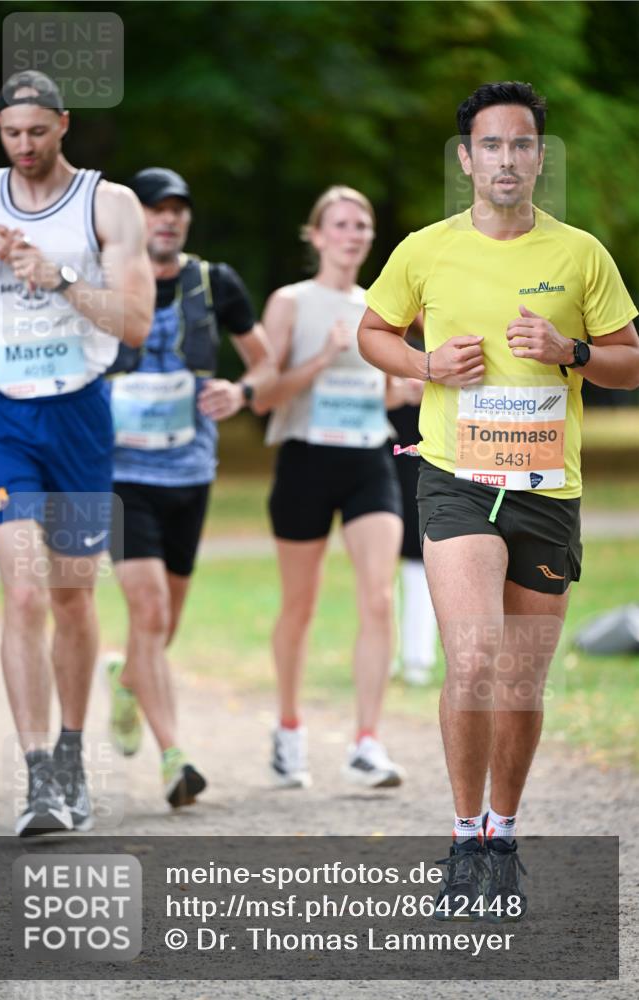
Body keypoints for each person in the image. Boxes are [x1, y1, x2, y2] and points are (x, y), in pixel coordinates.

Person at [358, 81, 639, 918]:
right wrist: (424, 366)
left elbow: (629, 358)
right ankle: (461, 839)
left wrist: (571, 349)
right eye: (491, 145)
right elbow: (371, 332)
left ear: (539, 158)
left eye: (521, 145)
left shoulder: (580, 254)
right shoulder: (424, 249)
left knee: (517, 679)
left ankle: (501, 834)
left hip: (546, 488)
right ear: (466, 158)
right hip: (455, 477)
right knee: (474, 657)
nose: (506, 159)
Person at [0, 71, 154, 836]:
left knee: (76, 594)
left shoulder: (108, 205)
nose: (23, 147)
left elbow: (137, 322)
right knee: (25, 591)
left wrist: (63, 275)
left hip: (79, 413)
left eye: (37, 133)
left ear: (63, 125)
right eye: (11, 134)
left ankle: (75, 750)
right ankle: (39, 774)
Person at [103, 167, 275, 808]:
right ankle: (175, 759)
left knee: (163, 622)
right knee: (148, 611)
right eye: (155, 209)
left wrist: (242, 390)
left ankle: (127, 682)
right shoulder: (104, 279)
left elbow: (265, 361)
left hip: (190, 475)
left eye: (178, 209)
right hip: (119, 478)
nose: (168, 219)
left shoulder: (214, 282)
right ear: (134, 220)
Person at [254, 185, 406, 790]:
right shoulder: (291, 302)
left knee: (379, 597)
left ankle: (366, 742)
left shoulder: (379, 305)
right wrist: (321, 358)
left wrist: (404, 388)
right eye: (340, 224)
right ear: (317, 236)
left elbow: (386, 393)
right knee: (301, 604)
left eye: (362, 224)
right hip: (305, 461)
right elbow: (264, 395)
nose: (353, 233)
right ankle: (289, 729)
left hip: (369, 460)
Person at [387, 328, 438, 686]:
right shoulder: (378, 347)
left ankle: (418, 656)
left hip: (427, 472)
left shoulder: (443, 342)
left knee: (421, 565)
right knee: (379, 572)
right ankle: (385, 652)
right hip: (383, 472)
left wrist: (430, 391)